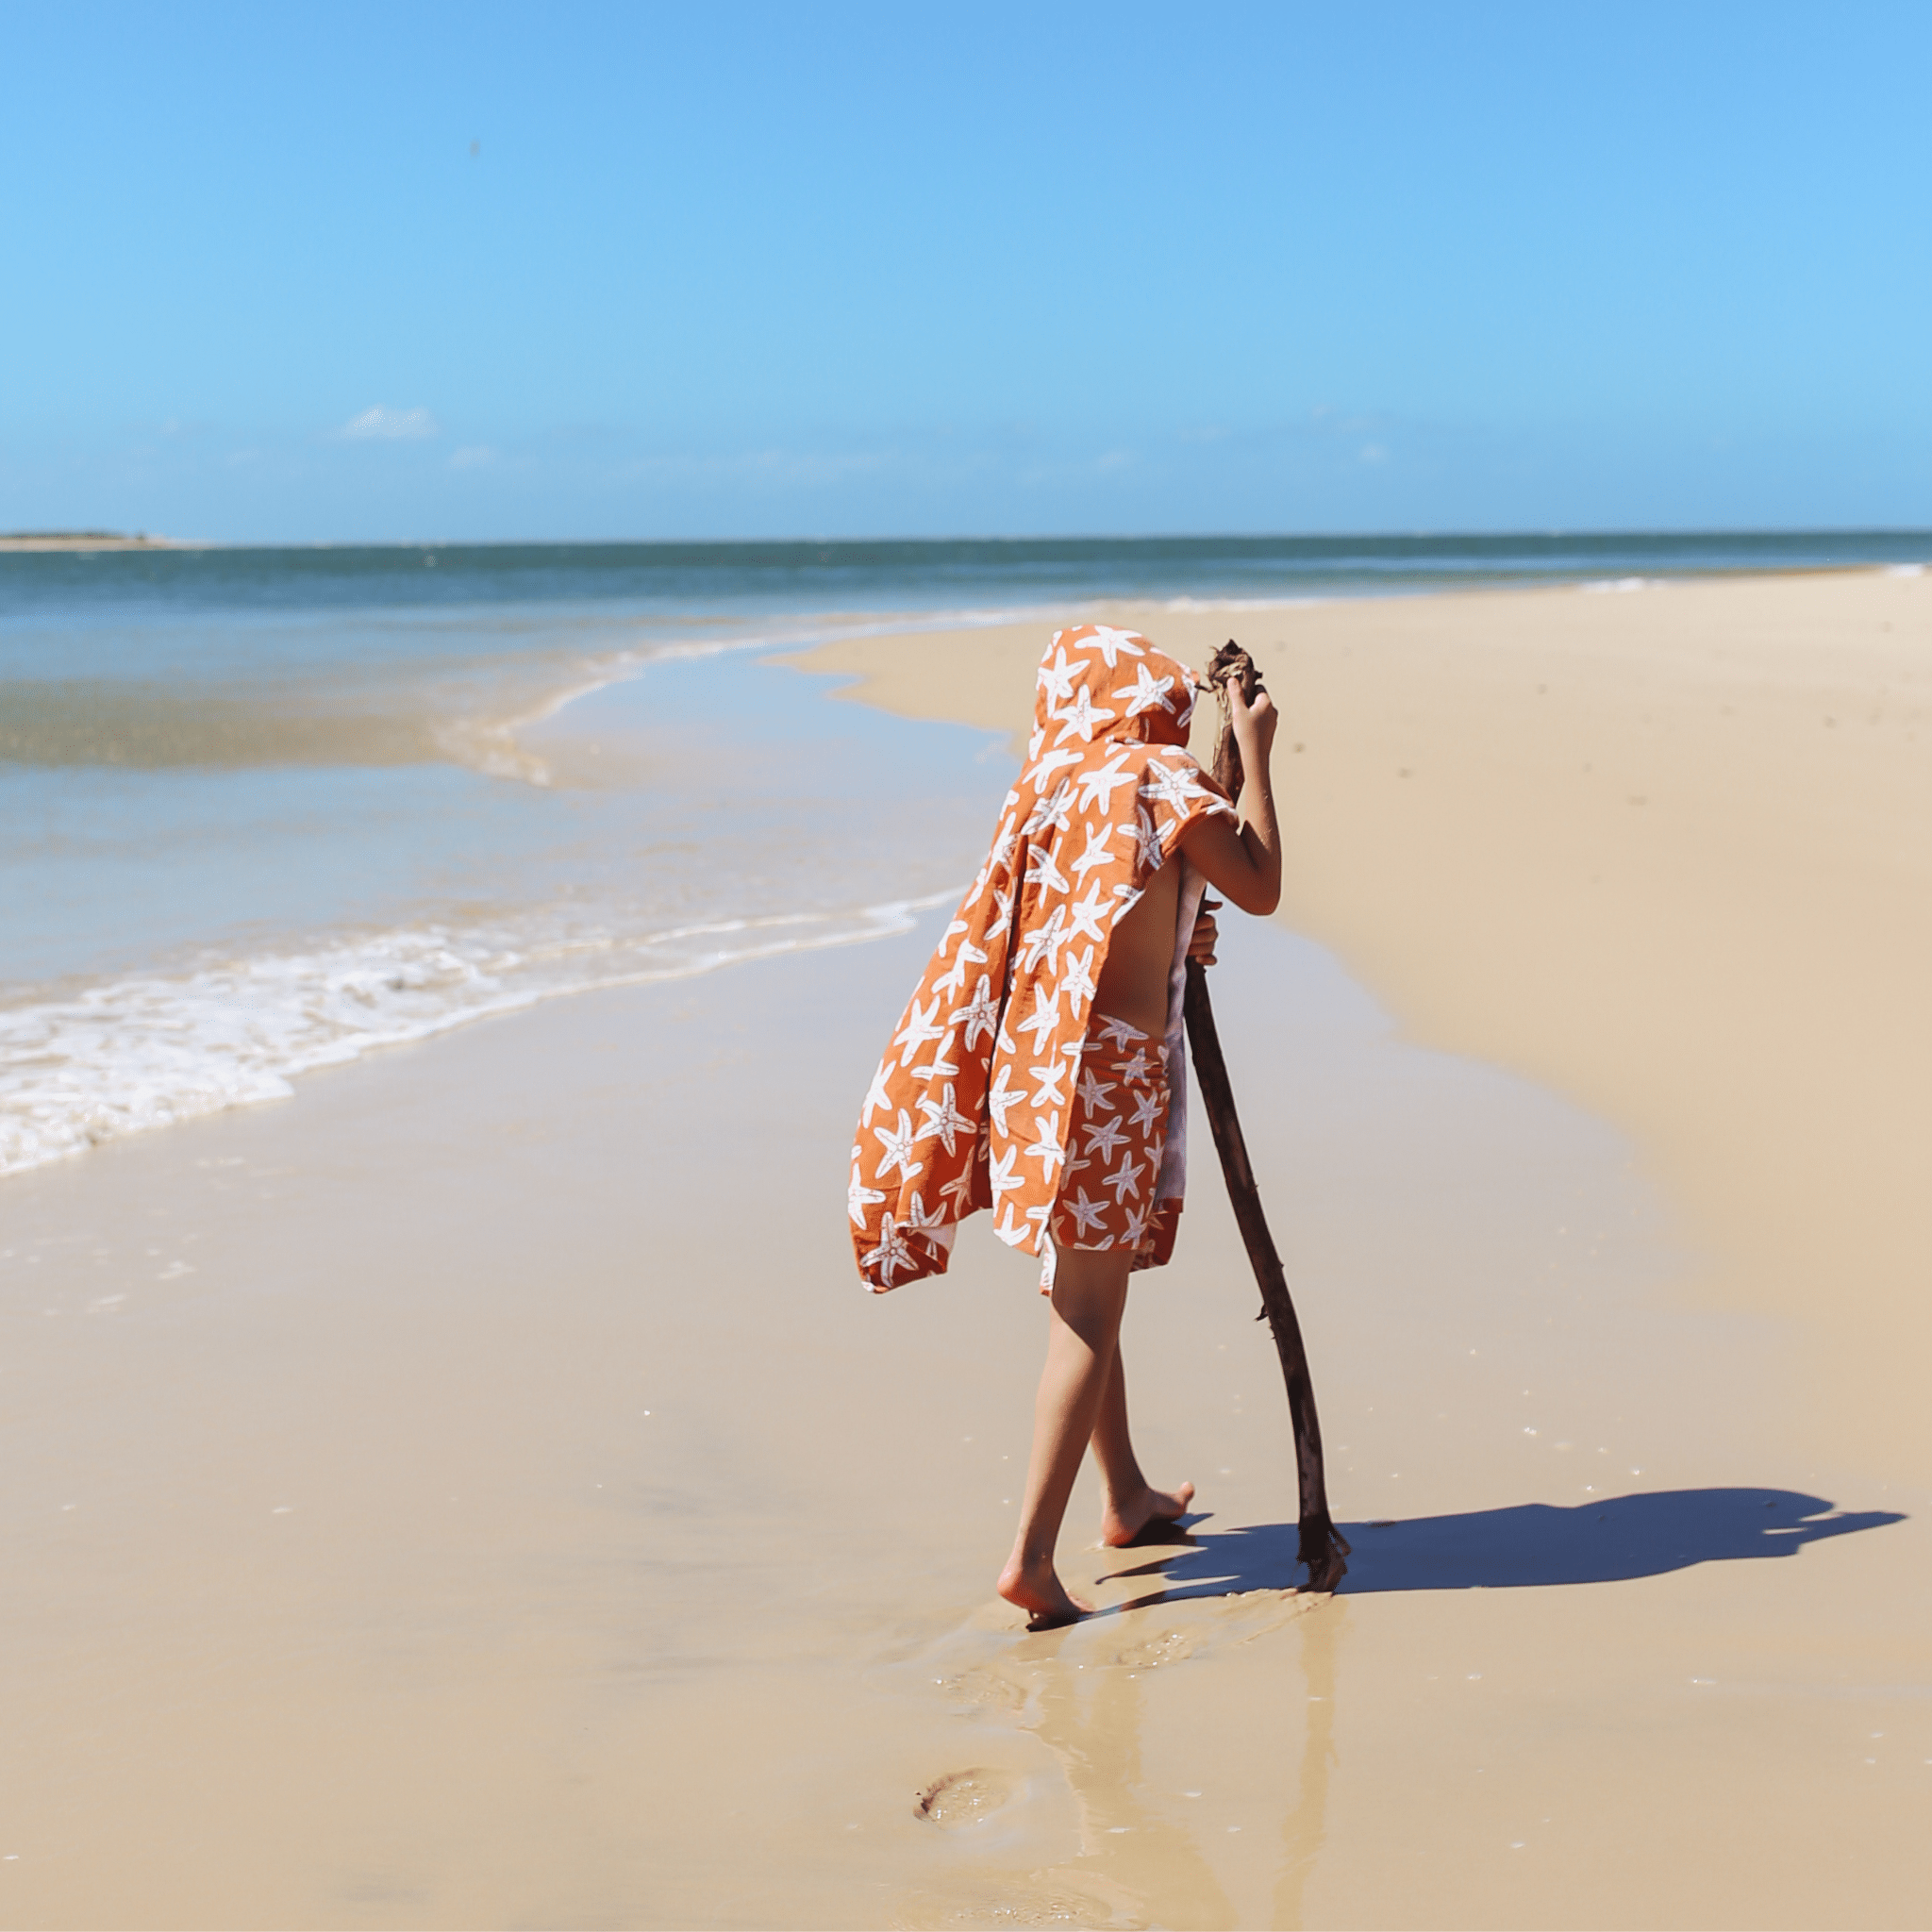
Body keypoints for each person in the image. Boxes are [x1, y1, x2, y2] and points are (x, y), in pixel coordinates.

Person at [848, 625, 1281, 1625]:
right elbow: (1258, 881)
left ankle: (1123, 1492)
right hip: (1113, 1073)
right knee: (1088, 1310)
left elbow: (1099, 908)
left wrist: (1182, 918)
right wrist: (1253, 753)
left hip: (1040, 1064)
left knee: (1083, 1281)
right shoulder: (1159, 781)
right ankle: (1029, 1561)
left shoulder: (1051, 788)